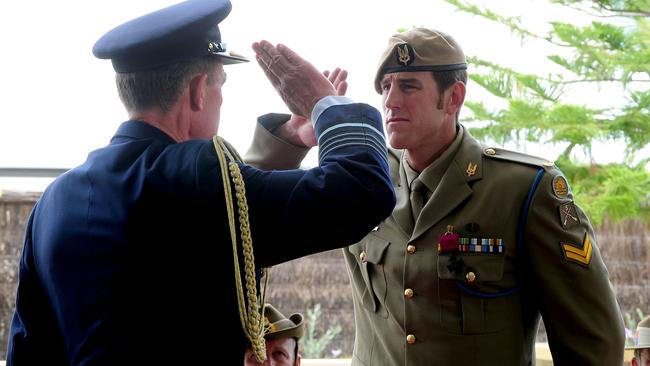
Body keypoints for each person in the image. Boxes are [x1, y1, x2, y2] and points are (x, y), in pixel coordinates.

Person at [6, 0, 395, 364]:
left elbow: (29, 347)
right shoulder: (199, 179)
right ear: (196, 92)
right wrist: (327, 106)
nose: (220, 102)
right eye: (220, 86)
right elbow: (363, 190)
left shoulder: (55, 200)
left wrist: (290, 140)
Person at [245, 27, 625, 365]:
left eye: (408, 86)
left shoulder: (523, 189)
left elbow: (593, 341)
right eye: (386, 87)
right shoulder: (362, 178)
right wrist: (296, 137)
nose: (391, 101)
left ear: (454, 97)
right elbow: (246, 217)